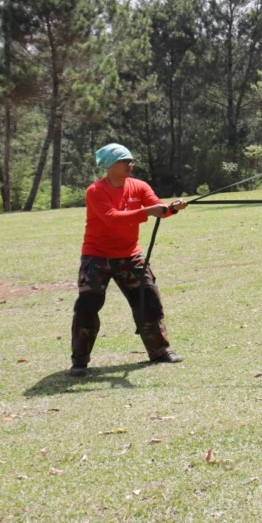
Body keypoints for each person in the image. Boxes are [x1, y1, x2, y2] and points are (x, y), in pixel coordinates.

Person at [69, 143, 188, 378]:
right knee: (87, 306)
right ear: (109, 165)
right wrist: (150, 211)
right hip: (97, 257)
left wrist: (173, 208)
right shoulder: (96, 191)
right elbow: (113, 219)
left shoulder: (139, 186)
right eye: (124, 161)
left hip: (130, 255)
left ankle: (160, 352)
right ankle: (80, 361)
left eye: (130, 160)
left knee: (149, 300)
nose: (129, 165)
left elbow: (158, 208)